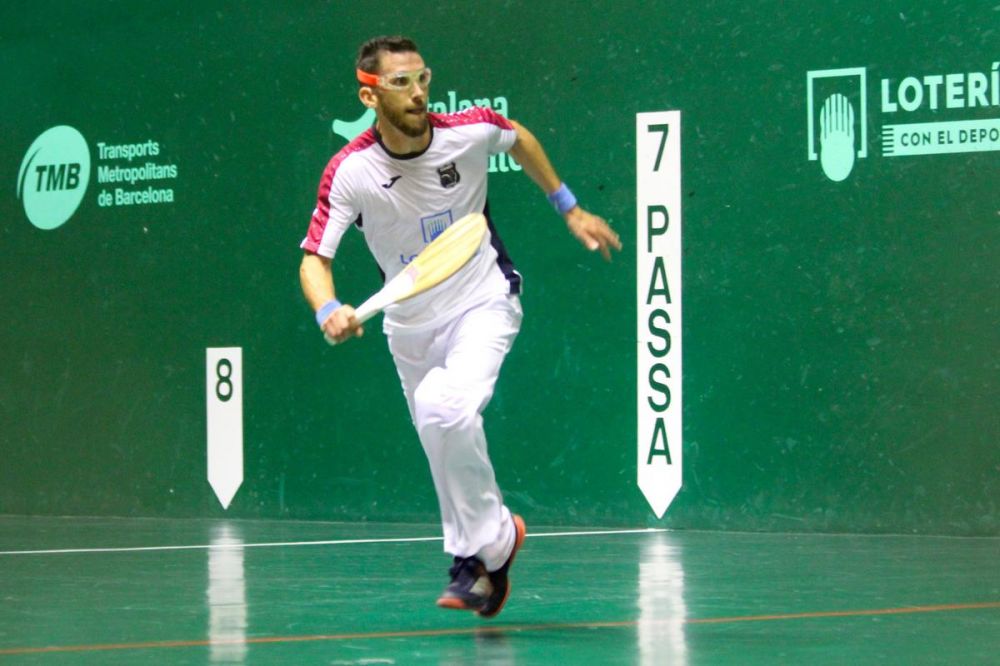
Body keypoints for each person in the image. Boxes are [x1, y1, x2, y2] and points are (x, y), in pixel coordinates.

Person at [299, 35, 621, 618]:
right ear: (368, 95)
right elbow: (314, 258)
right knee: (437, 428)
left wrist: (569, 207)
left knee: (445, 408)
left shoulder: (467, 130)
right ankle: (488, 558)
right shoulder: (350, 172)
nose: (418, 92)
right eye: (401, 82)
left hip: (483, 301)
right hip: (408, 324)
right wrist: (328, 309)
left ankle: (477, 553)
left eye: (422, 77)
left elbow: (518, 138)